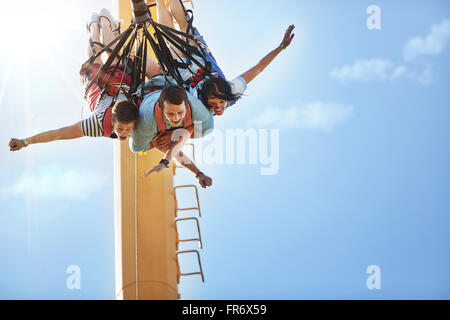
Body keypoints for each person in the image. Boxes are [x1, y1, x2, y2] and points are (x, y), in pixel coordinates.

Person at [8, 9, 161, 151]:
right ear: (113, 121)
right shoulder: (138, 116)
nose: (124, 133)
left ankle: (93, 26)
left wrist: (25, 141)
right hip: (121, 83)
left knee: (95, 51)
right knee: (113, 51)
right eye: (121, 128)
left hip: (96, 85)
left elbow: (60, 133)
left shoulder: (96, 125)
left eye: (127, 129)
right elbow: (59, 134)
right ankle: (105, 23)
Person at [154, 0, 295, 115]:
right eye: (221, 102)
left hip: (182, 69)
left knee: (168, 36)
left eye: (213, 102)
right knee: (185, 24)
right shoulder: (232, 90)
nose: (218, 107)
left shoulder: (200, 108)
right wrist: (281, 46)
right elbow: (259, 68)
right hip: (200, 57)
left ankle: (159, 2)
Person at [130, 84, 213, 188]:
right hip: (151, 89)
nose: (176, 118)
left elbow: (176, 146)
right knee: (137, 148)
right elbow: (174, 149)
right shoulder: (146, 123)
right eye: (170, 113)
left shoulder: (198, 112)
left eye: (180, 112)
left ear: (187, 107)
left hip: (173, 84)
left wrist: (181, 132)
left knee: (206, 130)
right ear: (161, 110)